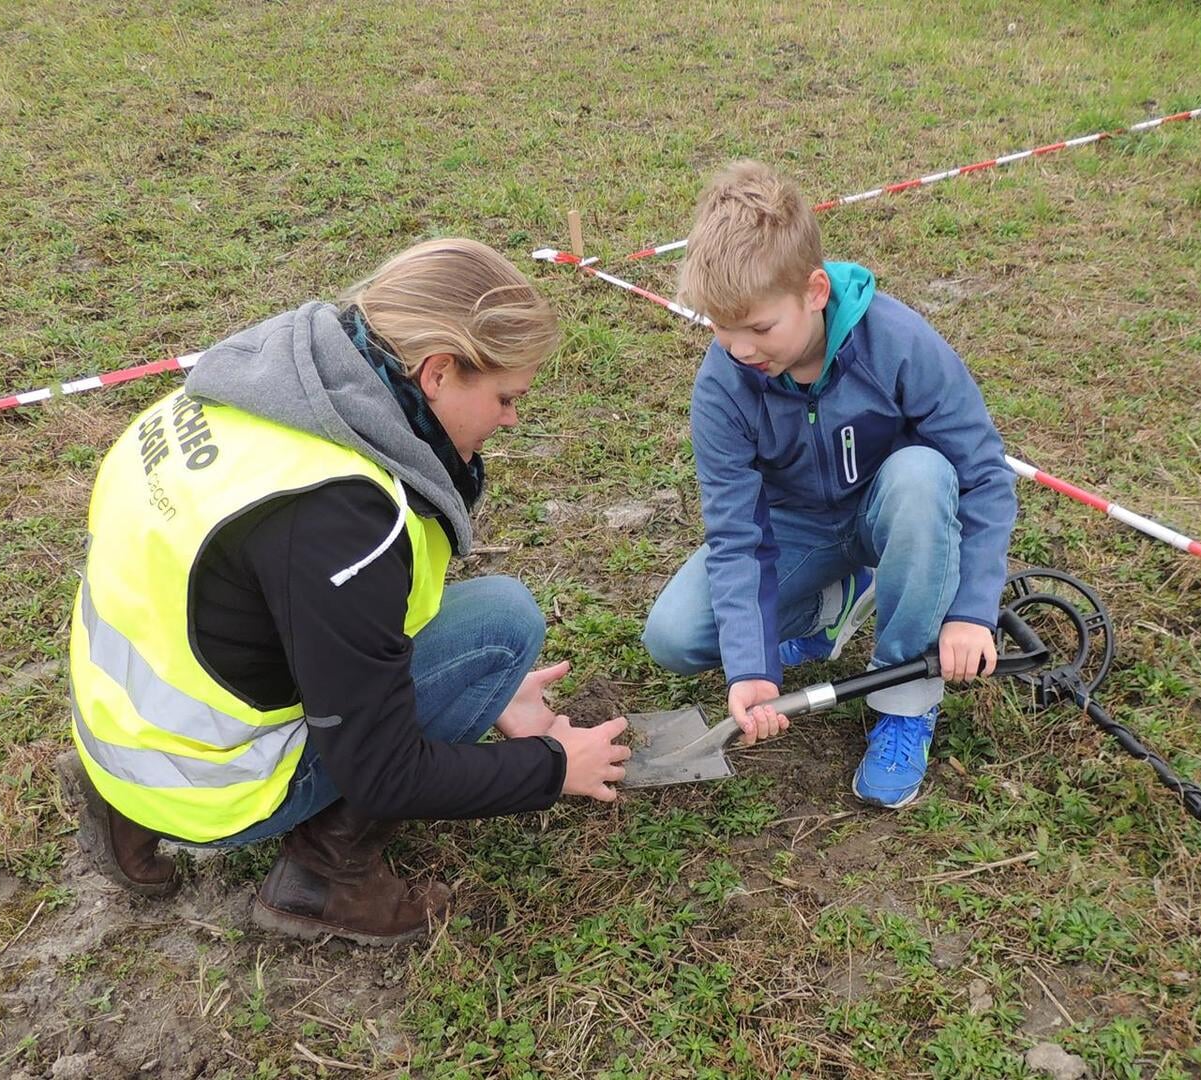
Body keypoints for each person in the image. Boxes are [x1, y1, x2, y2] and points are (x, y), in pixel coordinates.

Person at [61, 238, 630, 945]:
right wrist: (549, 767)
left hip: (119, 728)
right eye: (506, 397)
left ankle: (126, 803)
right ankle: (325, 877)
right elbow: (386, 772)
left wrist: (496, 694)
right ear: (439, 373)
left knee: (486, 646)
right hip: (212, 782)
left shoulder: (239, 392)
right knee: (503, 625)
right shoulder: (343, 520)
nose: (512, 419)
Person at [641, 161, 1017, 809]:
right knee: (674, 637)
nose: (739, 350)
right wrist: (753, 668)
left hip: (895, 509)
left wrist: (970, 612)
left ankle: (903, 700)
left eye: (759, 329)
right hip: (801, 528)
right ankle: (834, 602)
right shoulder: (723, 386)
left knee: (924, 475)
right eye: (721, 330)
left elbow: (982, 476)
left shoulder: (898, 343)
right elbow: (737, 534)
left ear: (815, 291)